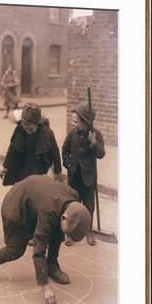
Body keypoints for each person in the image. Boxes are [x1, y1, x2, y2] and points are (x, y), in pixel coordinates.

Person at [0, 175, 91, 304]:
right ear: (64, 217)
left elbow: (58, 227)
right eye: (69, 234)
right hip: (15, 205)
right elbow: (39, 249)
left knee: (57, 232)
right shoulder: (49, 211)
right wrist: (46, 288)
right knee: (15, 249)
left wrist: (63, 233)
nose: (67, 238)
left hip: (34, 197)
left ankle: (52, 266)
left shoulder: (73, 198)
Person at [61, 102, 105, 246]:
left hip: (88, 177)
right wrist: (67, 163)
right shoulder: (72, 133)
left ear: (86, 122)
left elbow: (101, 154)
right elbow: (65, 149)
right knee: (73, 204)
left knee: (89, 205)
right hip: (74, 175)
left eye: (77, 121)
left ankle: (89, 231)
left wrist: (93, 143)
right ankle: (71, 232)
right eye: (73, 121)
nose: (74, 124)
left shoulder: (95, 134)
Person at [0, 103, 62, 186]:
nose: (27, 131)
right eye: (25, 127)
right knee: (21, 190)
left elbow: (55, 153)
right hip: (22, 166)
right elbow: (12, 148)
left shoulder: (47, 133)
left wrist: (57, 172)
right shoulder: (20, 129)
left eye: (31, 129)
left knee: (36, 190)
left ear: (38, 123)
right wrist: (5, 167)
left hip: (38, 168)